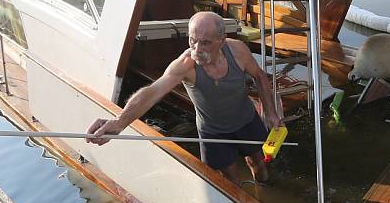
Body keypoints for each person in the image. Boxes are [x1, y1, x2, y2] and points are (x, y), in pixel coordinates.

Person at [87, 11, 281, 184]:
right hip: (213, 132)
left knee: (258, 164)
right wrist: (120, 122)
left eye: (205, 42)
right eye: (192, 41)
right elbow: (152, 92)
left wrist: (270, 113)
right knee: (229, 179)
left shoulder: (238, 51)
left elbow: (260, 77)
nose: (197, 49)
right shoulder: (185, 65)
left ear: (222, 41)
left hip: (246, 120)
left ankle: (264, 190)